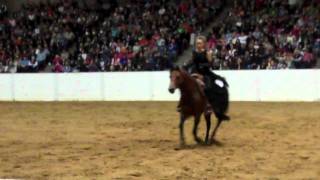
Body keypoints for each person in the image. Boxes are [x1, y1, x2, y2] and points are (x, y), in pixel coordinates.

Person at [184, 36, 229, 118]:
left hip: (205, 72)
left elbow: (210, 64)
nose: (198, 45)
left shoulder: (207, 52)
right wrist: (185, 67)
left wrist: (202, 66)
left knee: (207, 87)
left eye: (200, 43)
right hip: (196, 71)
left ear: (204, 44)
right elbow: (192, 62)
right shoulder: (194, 52)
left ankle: (208, 106)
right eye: (197, 43)